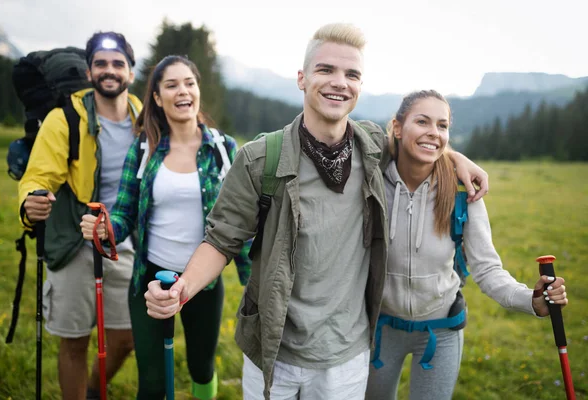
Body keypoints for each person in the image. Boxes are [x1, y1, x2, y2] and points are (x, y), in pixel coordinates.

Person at [143, 24, 488, 400]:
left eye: (351, 74)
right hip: (272, 353)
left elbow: (420, 139)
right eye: (326, 70)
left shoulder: (371, 145)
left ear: (359, 86)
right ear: (302, 78)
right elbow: (221, 240)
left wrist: (456, 157)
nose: (339, 82)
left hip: (347, 356)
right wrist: (182, 289)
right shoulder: (260, 159)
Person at [365, 90, 569, 400]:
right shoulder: (371, 181)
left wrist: (532, 300)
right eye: (422, 121)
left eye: (442, 125)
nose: (434, 132)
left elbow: (487, 269)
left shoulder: (463, 193)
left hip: (442, 331)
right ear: (397, 127)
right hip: (379, 331)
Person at [80, 55, 252, 400]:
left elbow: (242, 222)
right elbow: (124, 214)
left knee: (202, 368)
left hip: (203, 282)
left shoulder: (223, 149)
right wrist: (105, 228)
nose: (183, 91)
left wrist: (254, 279)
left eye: (189, 83)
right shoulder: (144, 148)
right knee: (153, 382)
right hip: (150, 279)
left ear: (198, 90)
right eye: (171, 85)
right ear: (157, 98)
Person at [18, 31, 142, 399]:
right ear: (89, 72)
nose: (109, 70)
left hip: (121, 239)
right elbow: (39, 176)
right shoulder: (65, 119)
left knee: (128, 337)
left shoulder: (145, 116)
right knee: (75, 341)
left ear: (130, 73)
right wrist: (32, 200)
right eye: (101, 64)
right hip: (74, 239)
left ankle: (92, 389)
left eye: (118, 63)